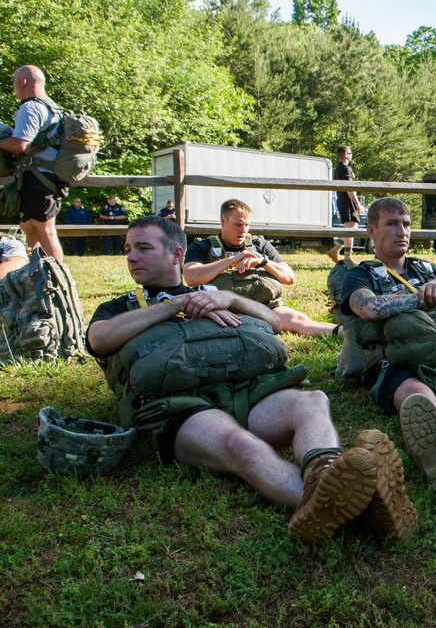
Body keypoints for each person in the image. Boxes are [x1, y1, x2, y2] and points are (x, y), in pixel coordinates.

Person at [86, 214, 416, 543]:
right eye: (129, 248)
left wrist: (230, 299)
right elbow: (98, 340)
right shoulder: (120, 307)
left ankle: (325, 474)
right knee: (243, 447)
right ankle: (365, 511)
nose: (131, 256)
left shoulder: (213, 292)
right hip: (181, 407)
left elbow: (273, 323)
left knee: (313, 400)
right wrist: (175, 305)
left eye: (143, 248)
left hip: (248, 390)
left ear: (176, 254)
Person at [340, 197, 436, 486]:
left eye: (407, 224)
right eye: (392, 224)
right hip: (399, 363)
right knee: (413, 391)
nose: (402, 231)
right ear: (371, 231)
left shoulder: (427, 268)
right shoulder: (360, 274)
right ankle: (432, 444)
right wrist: (423, 295)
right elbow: (368, 309)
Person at [183, 199, 338, 337]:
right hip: (224, 311)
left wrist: (263, 262)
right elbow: (191, 277)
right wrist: (233, 259)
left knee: (299, 321)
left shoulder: (260, 246)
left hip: (266, 308)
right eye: (237, 225)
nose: (243, 230)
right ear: (223, 221)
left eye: (246, 225)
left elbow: (290, 278)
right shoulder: (203, 247)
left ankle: (348, 332)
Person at [0, 65, 67, 262]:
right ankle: (34, 274)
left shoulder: (30, 107)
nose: (13, 86)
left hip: (39, 177)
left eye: (14, 81)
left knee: (45, 230)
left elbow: (20, 144)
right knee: (29, 226)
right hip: (44, 176)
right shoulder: (53, 107)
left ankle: (58, 279)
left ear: (23, 82)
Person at [334, 146, 365, 266]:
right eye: (350, 153)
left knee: (352, 227)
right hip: (347, 201)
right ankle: (348, 257)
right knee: (351, 228)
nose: (352, 155)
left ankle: (335, 249)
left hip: (343, 200)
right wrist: (357, 203)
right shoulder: (346, 169)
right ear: (346, 155)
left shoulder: (338, 168)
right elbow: (349, 188)